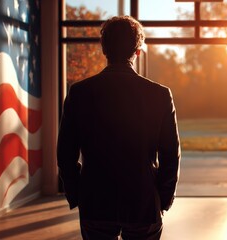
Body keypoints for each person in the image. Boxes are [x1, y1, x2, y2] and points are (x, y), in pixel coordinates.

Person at [57, 16, 181, 240]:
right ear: (138, 52)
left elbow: (65, 153)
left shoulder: (79, 93)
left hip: (95, 202)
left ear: (104, 49)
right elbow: (170, 155)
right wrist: (162, 199)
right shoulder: (160, 95)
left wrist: (77, 195)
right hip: (142, 202)